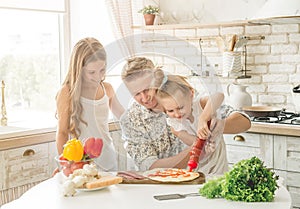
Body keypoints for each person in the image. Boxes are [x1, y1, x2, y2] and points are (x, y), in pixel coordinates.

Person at [120, 56, 251, 174]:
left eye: (147, 89)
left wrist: (215, 126)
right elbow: (150, 167)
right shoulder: (131, 120)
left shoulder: (181, 96)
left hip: (211, 177)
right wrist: (200, 147)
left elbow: (244, 122)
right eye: (136, 94)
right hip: (163, 187)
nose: (144, 98)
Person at [55, 37, 124, 171]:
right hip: (79, 163)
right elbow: (62, 132)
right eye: (92, 72)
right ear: (79, 69)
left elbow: (124, 118)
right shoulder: (66, 92)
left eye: (102, 70)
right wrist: (64, 164)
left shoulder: (107, 88)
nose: (98, 77)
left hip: (108, 159)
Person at [155, 74, 227, 174]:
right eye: (170, 110)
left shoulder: (200, 104)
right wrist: (205, 146)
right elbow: (195, 144)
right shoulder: (175, 126)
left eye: (180, 108)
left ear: (191, 94)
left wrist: (203, 117)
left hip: (217, 159)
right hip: (199, 163)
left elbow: (219, 95)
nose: (177, 114)